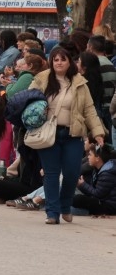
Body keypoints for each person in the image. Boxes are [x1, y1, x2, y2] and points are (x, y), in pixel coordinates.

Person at [28, 47, 105, 224]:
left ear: (69, 62)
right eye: (56, 60)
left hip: (73, 134)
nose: (59, 63)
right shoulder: (42, 79)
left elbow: (89, 110)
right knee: (51, 173)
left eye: (63, 59)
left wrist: (98, 132)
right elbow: (28, 100)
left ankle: (65, 205)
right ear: (51, 61)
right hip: (48, 133)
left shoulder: (79, 82)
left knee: (72, 173)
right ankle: (52, 213)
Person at [73, 143, 116, 216]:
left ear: (97, 158)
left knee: (77, 199)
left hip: (109, 206)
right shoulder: (97, 169)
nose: (88, 157)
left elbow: (97, 194)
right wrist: (81, 185)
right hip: (101, 201)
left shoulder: (107, 173)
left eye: (90, 155)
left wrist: (82, 185)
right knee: (71, 197)